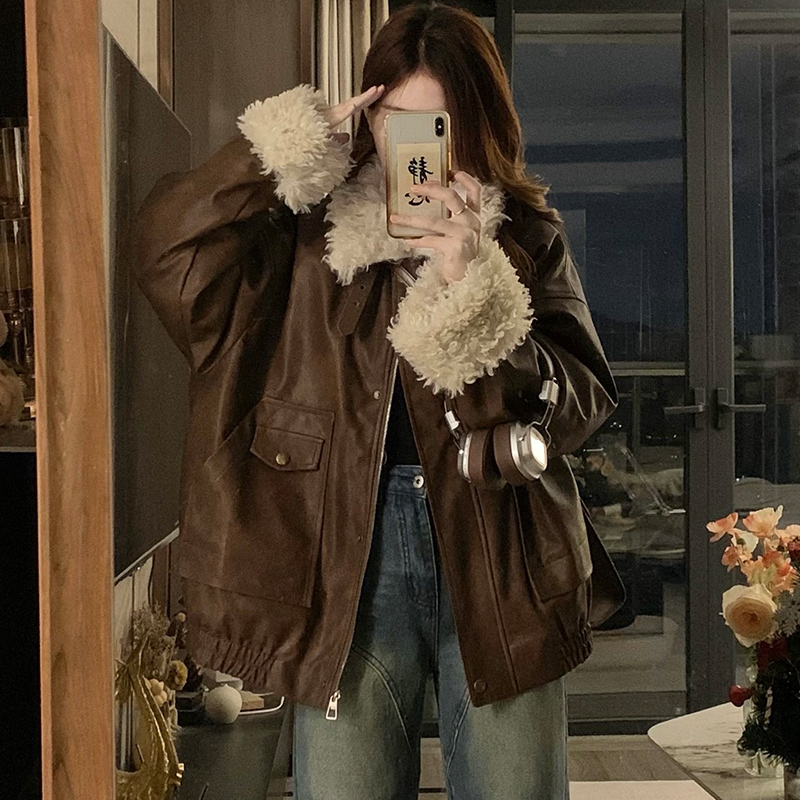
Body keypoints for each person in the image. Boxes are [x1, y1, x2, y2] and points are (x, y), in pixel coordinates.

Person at [133, 3, 624, 798]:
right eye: (398, 122)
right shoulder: (305, 235)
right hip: (342, 560)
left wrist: (476, 292)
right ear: (368, 117)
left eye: (439, 126)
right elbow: (167, 255)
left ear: (476, 126)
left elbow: (581, 397)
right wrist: (280, 152)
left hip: (500, 555)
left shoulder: (524, 236)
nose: (417, 153)